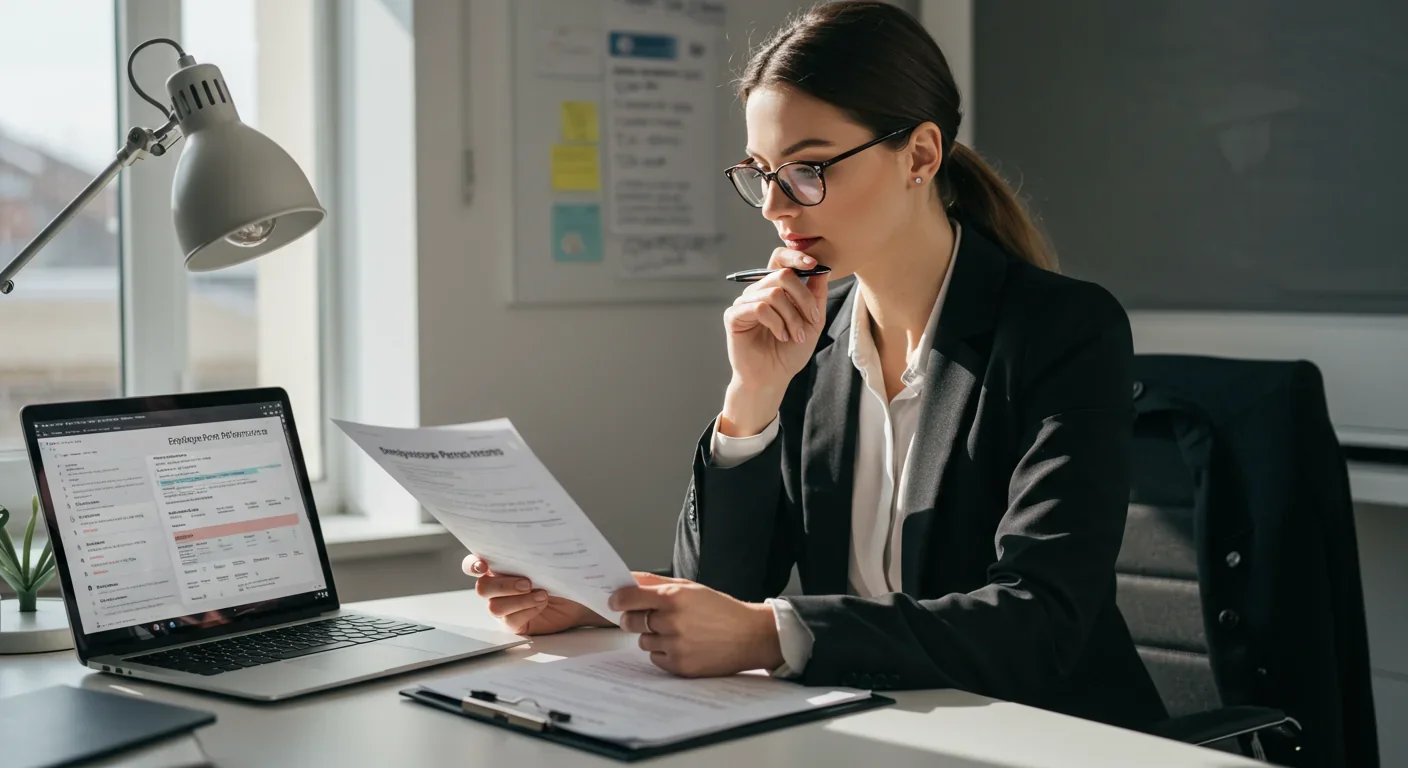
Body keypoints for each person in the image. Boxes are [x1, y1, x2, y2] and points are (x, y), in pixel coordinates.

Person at [464, 1, 1166, 729]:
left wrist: (773, 633)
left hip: (1050, 733)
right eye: (761, 172)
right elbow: (725, 591)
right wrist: (752, 399)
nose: (773, 206)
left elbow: (1041, 619)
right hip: (874, 728)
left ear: (920, 156)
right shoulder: (812, 333)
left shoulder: (1063, 330)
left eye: (806, 169)